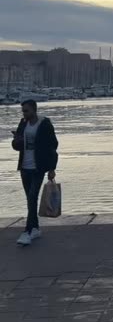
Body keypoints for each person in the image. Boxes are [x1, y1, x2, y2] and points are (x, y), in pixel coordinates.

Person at [11, 99, 58, 246]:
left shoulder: (44, 124)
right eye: (23, 111)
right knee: (30, 199)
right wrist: (16, 140)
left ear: (34, 109)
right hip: (24, 167)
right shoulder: (23, 123)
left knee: (32, 197)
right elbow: (16, 146)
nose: (24, 114)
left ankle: (27, 231)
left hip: (38, 167)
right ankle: (35, 228)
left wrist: (52, 168)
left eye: (26, 111)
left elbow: (53, 145)